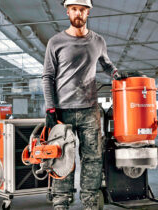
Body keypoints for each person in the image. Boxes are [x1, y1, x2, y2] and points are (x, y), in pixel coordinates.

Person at [42, 0, 124, 209]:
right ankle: (61, 202)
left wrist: (115, 73)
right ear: (68, 12)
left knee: (93, 158)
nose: (78, 13)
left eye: (82, 10)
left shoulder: (98, 41)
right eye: (74, 10)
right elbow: (47, 76)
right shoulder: (55, 42)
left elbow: (106, 63)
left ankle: (90, 202)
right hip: (62, 111)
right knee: (61, 158)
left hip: (90, 110)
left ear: (88, 12)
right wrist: (50, 109)